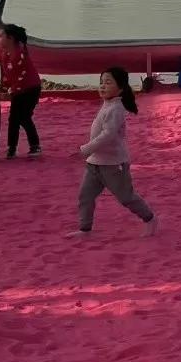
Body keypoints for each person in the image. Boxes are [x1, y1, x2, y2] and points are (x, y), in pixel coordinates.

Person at [75, 68, 157, 236]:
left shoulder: (116, 109)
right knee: (85, 196)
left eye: (108, 82)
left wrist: (86, 149)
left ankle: (150, 218)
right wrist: (89, 152)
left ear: (120, 88)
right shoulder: (107, 105)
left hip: (113, 165)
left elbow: (108, 135)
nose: (103, 86)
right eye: (101, 82)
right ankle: (85, 228)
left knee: (126, 197)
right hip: (94, 163)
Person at [0, 22, 42, 159]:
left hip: (31, 89)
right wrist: (3, 89)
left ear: (10, 38)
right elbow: (5, 74)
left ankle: (35, 146)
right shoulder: (4, 54)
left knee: (24, 117)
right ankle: (12, 149)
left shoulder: (21, 52)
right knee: (13, 119)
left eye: (1, 36)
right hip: (18, 90)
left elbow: (22, 74)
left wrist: (12, 90)